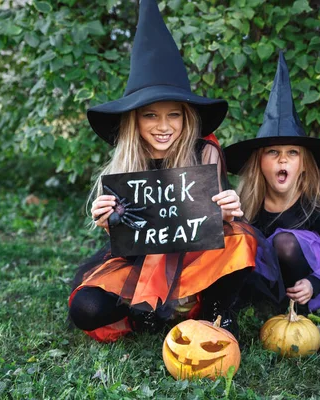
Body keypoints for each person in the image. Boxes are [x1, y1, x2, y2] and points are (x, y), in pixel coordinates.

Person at [68, 0, 256, 342]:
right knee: (87, 309)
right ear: (133, 120)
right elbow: (130, 241)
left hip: (195, 259)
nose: (163, 126)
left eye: (174, 114)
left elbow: (211, 228)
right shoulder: (125, 165)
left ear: (187, 118)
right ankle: (150, 311)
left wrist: (227, 213)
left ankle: (217, 311)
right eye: (150, 115)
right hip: (142, 261)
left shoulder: (204, 151)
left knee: (240, 238)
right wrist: (108, 222)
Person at [224, 52, 320, 313]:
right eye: (273, 152)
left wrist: (314, 283)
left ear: (303, 164)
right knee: (241, 240)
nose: (283, 159)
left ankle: (298, 312)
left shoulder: (314, 205)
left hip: (303, 280)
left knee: (285, 241)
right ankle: (251, 305)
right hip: (266, 279)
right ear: (259, 162)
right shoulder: (250, 204)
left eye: (292, 153)